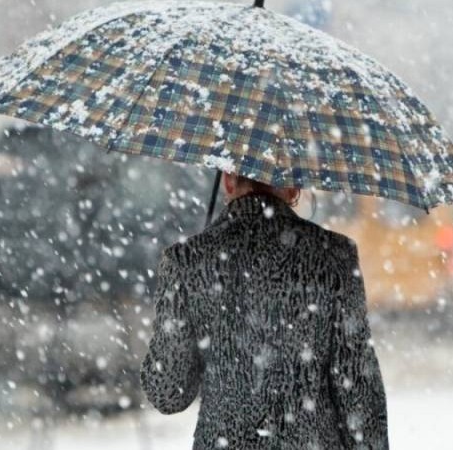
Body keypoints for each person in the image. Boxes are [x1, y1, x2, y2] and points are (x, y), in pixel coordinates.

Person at [140, 173, 389, 450]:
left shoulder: (185, 261)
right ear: (294, 188)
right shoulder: (334, 256)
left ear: (228, 182)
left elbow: (167, 393)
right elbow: (358, 391)